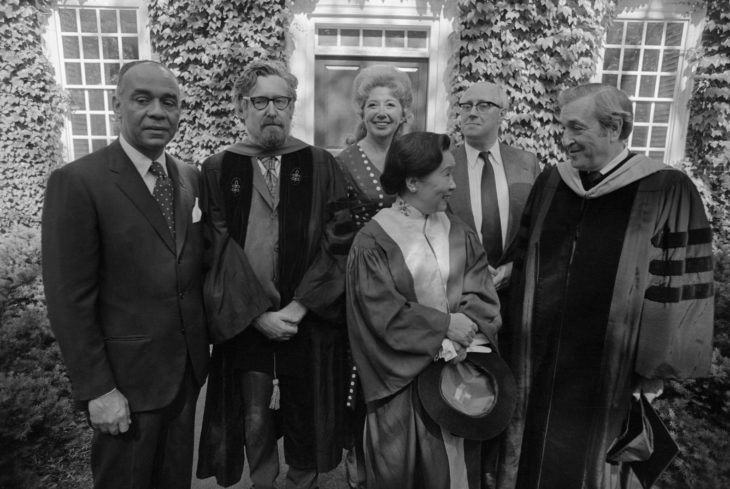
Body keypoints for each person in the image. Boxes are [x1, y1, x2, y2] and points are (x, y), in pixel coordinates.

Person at [498, 83, 714, 489]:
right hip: (537, 359)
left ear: (614, 129)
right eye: (564, 128)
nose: (566, 140)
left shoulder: (666, 189)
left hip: (612, 368)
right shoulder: (552, 181)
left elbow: (676, 288)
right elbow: (524, 256)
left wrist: (654, 369)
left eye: (576, 128)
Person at [41, 60, 209, 489]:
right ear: (117, 106)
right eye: (142, 99)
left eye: (168, 102)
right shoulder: (77, 182)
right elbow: (68, 299)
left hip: (184, 377)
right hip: (125, 387)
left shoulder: (189, 177)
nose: (157, 111)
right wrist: (98, 390)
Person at [196, 60, 348, 489]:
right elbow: (216, 249)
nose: (271, 111)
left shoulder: (320, 164)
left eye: (280, 100)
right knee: (254, 414)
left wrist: (300, 307)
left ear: (292, 106)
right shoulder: (218, 168)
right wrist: (259, 315)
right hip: (248, 322)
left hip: (308, 319)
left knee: (306, 411)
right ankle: (263, 481)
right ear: (241, 107)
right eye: (259, 101)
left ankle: (302, 481)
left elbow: (338, 239)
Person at [346, 132, 502, 489]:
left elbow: (483, 294)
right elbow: (379, 316)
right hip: (402, 392)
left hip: (461, 382)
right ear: (413, 181)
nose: (453, 184)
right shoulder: (374, 240)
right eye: (446, 174)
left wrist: (467, 331)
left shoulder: (457, 230)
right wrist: (443, 328)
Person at [335, 64, 414, 489]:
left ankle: (399, 453)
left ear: (404, 112)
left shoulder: (414, 156)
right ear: (360, 111)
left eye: (391, 104)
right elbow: (334, 228)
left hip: (411, 279)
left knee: (404, 364)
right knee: (359, 366)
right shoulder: (343, 162)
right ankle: (357, 451)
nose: (381, 112)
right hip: (362, 280)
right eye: (372, 104)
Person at [449, 81, 540, 305]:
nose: (471, 113)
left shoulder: (526, 164)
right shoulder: (444, 164)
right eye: (466, 106)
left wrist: (514, 267)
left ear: (502, 115)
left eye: (482, 106)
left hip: (514, 292)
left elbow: (538, 228)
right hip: (460, 295)